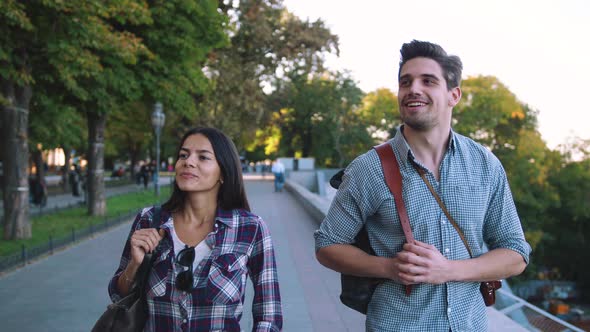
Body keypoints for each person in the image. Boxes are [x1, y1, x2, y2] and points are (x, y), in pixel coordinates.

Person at [314, 40, 531, 331]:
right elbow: (327, 244)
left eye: (427, 81)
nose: (413, 89)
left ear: (453, 95)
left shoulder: (484, 164)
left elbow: (516, 253)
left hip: (470, 325)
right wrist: (388, 268)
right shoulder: (369, 168)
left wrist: (449, 270)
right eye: (406, 82)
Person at [108, 127, 282, 331]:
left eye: (203, 157)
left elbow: (269, 314)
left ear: (223, 172)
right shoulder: (150, 220)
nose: (188, 162)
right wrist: (134, 264)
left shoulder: (250, 228)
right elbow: (118, 295)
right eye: (183, 155)